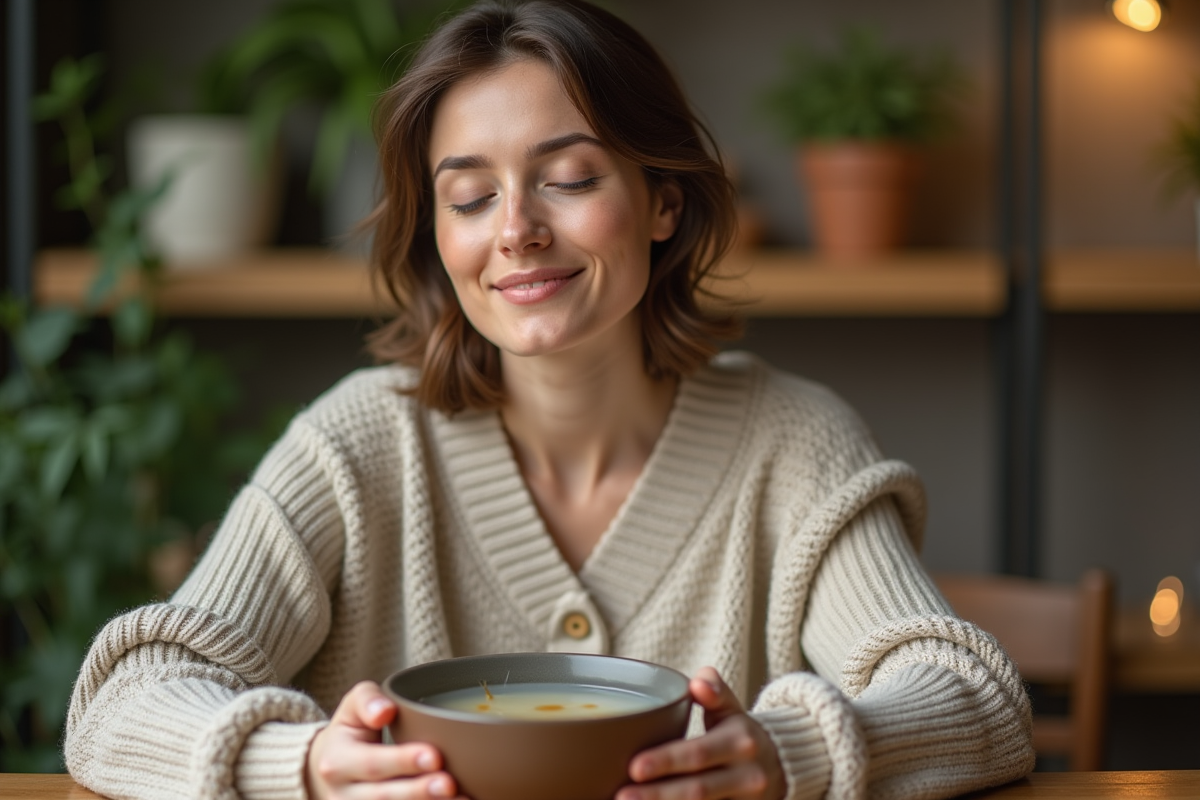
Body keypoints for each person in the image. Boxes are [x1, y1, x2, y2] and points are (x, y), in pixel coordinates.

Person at [64, 1, 1035, 799]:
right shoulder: (356, 446)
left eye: (568, 178)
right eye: (471, 196)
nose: (517, 230)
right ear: (435, 236)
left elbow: (976, 698)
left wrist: (793, 751)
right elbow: (122, 700)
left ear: (663, 200)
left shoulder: (795, 444)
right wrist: (303, 762)